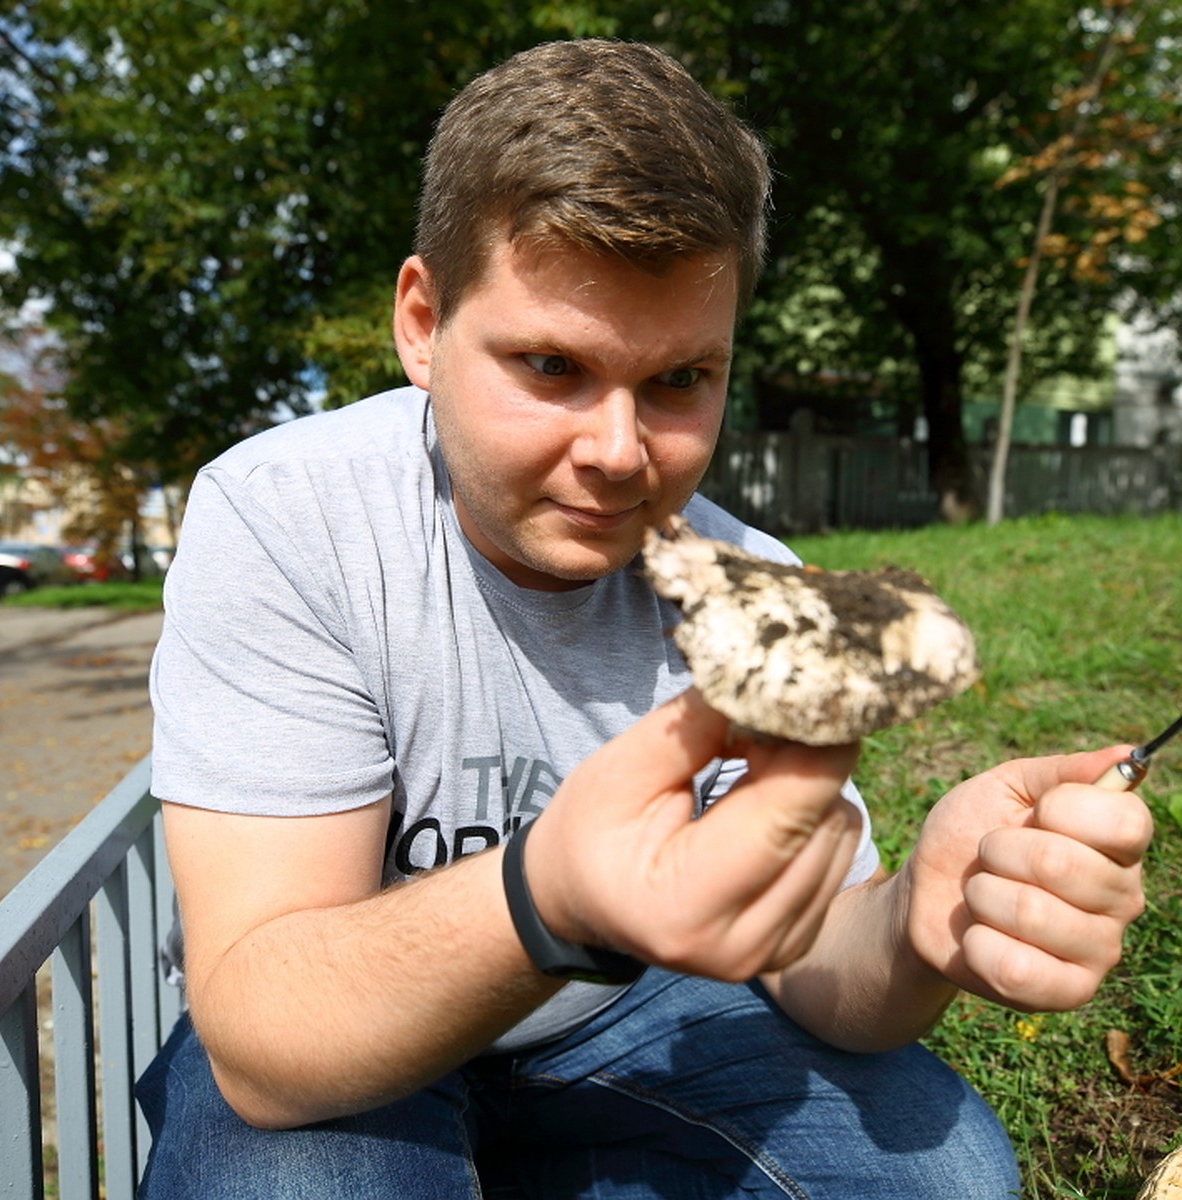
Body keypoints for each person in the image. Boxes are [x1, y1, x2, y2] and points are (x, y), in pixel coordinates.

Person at [138, 39, 1152, 1199]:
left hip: (625, 1025)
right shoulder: (289, 519)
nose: (619, 455)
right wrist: (549, 898)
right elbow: (269, 1043)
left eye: (679, 380)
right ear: (422, 324)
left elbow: (813, 958)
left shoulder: (750, 580)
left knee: (945, 1172)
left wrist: (922, 921)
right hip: (349, 1033)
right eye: (552, 366)